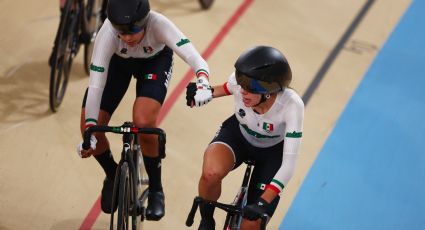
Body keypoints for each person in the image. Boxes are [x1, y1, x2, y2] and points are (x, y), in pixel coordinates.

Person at [76, 0, 213, 220]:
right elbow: (95, 87)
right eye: (121, 31)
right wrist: (90, 132)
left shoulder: (159, 24)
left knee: (144, 122)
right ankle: (112, 175)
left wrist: (203, 83)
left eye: (134, 31)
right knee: (88, 127)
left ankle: (157, 189)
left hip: (154, 63)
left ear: (145, 21)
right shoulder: (108, 34)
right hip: (117, 65)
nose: (127, 37)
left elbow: (196, 59)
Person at [186, 46, 304, 229]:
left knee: (251, 224)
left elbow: (289, 164)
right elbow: (223, 89)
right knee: (210, 175)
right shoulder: (241, 85)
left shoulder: (292, 105)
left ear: (269, 90)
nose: (242, 92)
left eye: (250, 88)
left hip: (272, 152)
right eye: (241, 84)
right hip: (239, 135)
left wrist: (263, 203)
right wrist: (200, 93)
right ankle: (206, 220)